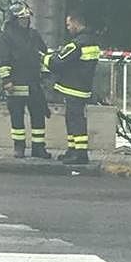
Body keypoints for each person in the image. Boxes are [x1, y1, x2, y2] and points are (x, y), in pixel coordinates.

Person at [0, 0, 51, 159]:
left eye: (27, 18)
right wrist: (7, 81)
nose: (25, 21)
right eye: (22, 19)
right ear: (13, 20)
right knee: (17, 117)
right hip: (16, 83)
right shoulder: (6, 37)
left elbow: (44, 55)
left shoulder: (34, 35)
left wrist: (45, 76)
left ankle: (38, 148)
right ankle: (19, 147)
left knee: (38, 115)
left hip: (34, 83)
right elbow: (2, 60)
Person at [43, 10, 101, 165]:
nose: (68, 28)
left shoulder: (78, 43)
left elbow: (58, 62)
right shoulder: (92, 41)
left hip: (73, 88)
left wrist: (45, 58)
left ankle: (80, 154)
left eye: (69, 24)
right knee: (72, 118)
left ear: (76, 23)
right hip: (82, 87)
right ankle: (73, 150)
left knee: (76, 120)